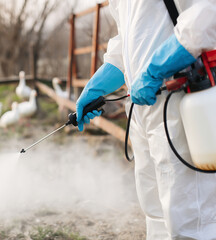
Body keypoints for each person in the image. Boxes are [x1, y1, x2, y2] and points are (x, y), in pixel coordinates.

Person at [75, 1, 216, 239]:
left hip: (180, 98)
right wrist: (98, 85)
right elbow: (131, 36)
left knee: (192, 215)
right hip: (142, 105)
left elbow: (208, 12)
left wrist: (157, 67)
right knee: (155, 210)